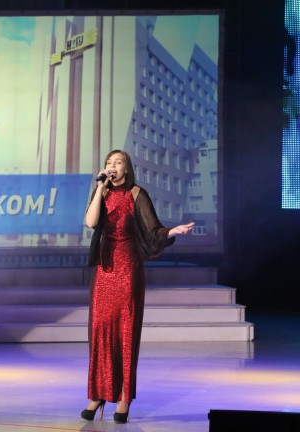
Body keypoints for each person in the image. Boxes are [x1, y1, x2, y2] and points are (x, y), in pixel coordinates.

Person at [81, 150, 194, 424]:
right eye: (109, 163)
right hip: (105, 269)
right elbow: (91, 222)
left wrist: (172, 231)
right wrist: (100, 188)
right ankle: (98, 393)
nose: (112, 166)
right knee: (100, 330)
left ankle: (123, 397)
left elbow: (153, 231)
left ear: (127, 168)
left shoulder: (137, 194)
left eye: (118, 162)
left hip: (127, 268)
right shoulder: (101, 192)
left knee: (125, 332)